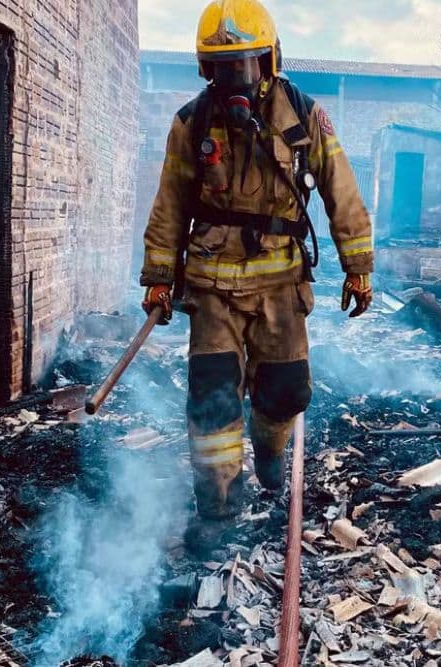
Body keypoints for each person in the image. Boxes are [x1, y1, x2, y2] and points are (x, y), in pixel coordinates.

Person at [139, 0, 374, 550]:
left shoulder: (304, 116)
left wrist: (357, 268)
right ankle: (218, 513)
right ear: (206, 69)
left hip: (280, 286)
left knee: (287, 393)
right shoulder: (192, 123)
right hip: (212, 289)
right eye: (222, 67)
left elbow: (342, 191)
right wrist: (157, 274)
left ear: (268, 62)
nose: (234, 78)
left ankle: (270, 455)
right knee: (213, 402)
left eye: (243, 65)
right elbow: (170, 203)